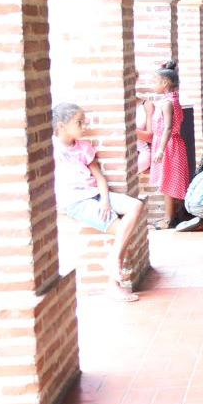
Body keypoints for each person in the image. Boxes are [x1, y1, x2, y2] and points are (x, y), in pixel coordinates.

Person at [51, 102, 142, 302]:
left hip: (97, 194)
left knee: (135, 205)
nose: (84, 127)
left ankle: (112, 260)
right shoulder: (52, 147)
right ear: (61, 126)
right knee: (121, 231)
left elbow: (99, 177)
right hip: (76, 201)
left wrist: (106, 201)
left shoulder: (83, 147)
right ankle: (113, 284)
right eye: (79, 123)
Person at [147, 65, 191, 229]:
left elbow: (168, 128)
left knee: (167, 183)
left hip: (168, 145)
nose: (152, 85)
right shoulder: (173, 100)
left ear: (165, 82)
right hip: (172, 144)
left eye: (155, 82)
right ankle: (172, 216)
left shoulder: (167, 103)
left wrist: (160, 149)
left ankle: (168, 219)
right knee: (169, 182)